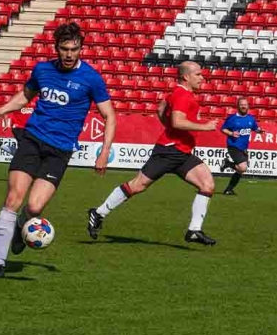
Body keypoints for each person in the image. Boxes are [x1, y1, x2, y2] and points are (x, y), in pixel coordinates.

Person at [0, 22, 116, 278]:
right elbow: (25, 96)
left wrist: (104, 152)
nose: (69, 54)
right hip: (32, 140)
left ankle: (20, 230)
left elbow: (109, 116)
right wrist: (3, 109)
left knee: (34, 208)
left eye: (74, 49)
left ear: (81, 49)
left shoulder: (91, 78)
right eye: (65, 49)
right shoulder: (42, 70)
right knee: (14, 197)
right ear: (56, 47)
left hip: (60, 150)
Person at [87, 61, 219, 245]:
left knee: (207, 184)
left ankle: (194, 231)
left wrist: (170, 128)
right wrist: (204, 127)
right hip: (169, 151)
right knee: (137, 186)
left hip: (181, 152)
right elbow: (177, 121)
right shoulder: (182, 95)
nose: (202, 78)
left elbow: (161, 108)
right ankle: (98, 213)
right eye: (198, 74)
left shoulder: (178, 93)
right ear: (186, 77)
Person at [219, 97, 264, 195]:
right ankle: (228, 164)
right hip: (233, 145)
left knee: (240, 171)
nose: (243, 106)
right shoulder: (232, 118)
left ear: (248, 106)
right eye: (241, 104)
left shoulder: (251, 118)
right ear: (238, 106)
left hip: (244, 148)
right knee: (243, 168)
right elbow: (223, 129)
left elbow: (255, 128)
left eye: (245, 104)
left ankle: (228, 190)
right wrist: (231, 134)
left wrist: (259, 131)